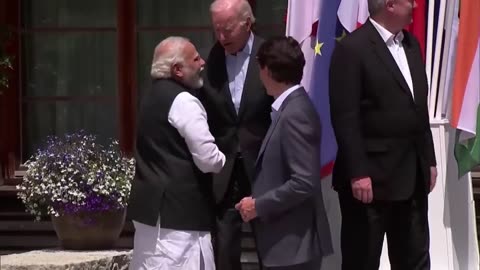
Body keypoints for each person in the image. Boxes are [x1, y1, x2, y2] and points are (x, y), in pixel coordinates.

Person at [328, 0, 437, 269]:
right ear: (389, 4)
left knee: (415, 259)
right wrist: (358, 172)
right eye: (408, 0)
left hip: (411, 176)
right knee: (362, 260)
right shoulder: (352, 49)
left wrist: (429, 159)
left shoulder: (412, 45)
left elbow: (418, 108)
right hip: (369, 182)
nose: (414, 5)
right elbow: (345, 116)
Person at [127, 36, 226, 270]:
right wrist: (223, 159)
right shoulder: (184, 102)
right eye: (195, 58)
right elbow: (208, 159)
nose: (202, 62)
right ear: (177, 70)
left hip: (152, 212)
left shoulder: (149, 96)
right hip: (181, 219)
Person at [235, 36, 333, 270]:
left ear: (267, 71)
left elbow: (303, 182)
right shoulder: (288, 109)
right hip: (285, 244)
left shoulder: (295, 113)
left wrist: (258, 205)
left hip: (294, 246)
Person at [198, 0, 273, 269]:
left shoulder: (270, 54)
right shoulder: (209, 61)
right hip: (224, 169)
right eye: (216, 29)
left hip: (263, 167)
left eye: (227, 29)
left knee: (270, 248)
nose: (221, 37)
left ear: (247, 23)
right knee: (225, 252)